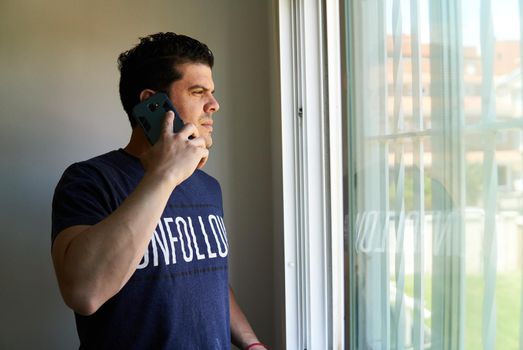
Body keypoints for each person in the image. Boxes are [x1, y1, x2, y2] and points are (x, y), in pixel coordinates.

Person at [51, 32, 268, 350]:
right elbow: (84, 294)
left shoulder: (208, 187)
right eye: (198, 92)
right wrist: (164, 176)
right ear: (153, 103)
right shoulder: (89, 180)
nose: (215, 104)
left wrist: (251, 343)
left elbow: (207, 278)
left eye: (213, 92)